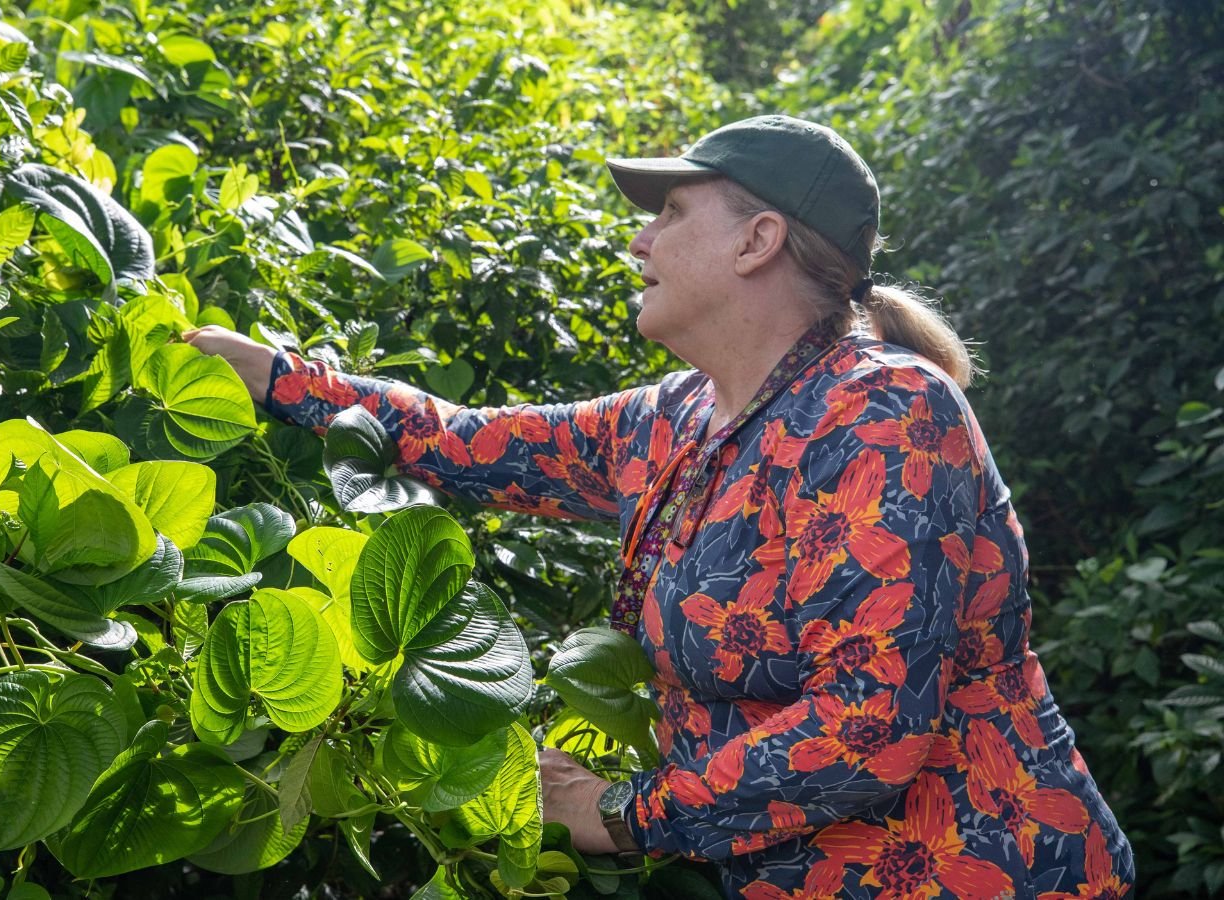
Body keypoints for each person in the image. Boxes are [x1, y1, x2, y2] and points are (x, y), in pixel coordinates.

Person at [185, 114, 1134, 898]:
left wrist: (616, 813)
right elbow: (468, 442)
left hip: (988, 874)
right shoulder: (678, 416)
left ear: (758, 241)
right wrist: (274, 378)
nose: (638, 239)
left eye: (672, 212)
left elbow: (869, 727)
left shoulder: (884, 412)